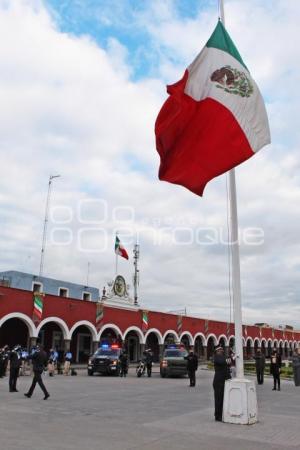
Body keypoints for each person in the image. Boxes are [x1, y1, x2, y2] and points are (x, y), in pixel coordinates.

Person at [213, 346, 232, 421]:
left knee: (223, 399)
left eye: (222, 349)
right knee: (218, 399)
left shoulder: (223, 357)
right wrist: (228, 359)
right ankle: (217, 416)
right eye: (220, 350)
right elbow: (223, 362)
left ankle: (221, 414)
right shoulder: (217, 357)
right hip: (218, 381)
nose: (222, 350)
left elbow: (229, 363)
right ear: (217, 351)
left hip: (223, 380)